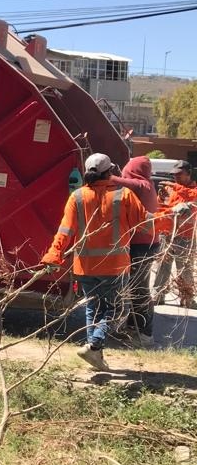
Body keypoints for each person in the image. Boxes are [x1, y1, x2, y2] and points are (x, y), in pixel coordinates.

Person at [41, 152, 148, 371]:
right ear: (110, 172)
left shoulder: (77, 197)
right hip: (114, 265)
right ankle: (94, 345)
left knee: (94, 307)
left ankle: (95, 356)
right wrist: (172, 214)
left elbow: (65, 231)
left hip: (85, 265)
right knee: (115, 309)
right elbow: (145, 222)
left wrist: (54, 254)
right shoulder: (124, 195)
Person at [110, 156, 159, 345]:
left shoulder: (141, 185)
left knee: (138, 288)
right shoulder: (145, 185)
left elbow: (116, 181)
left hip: (142, 245)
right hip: (143, 243)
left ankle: (145, 334)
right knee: (134, 287)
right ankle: (133, 328)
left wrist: (102, 173)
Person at [153, 161, 197, 309]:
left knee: (185, 269)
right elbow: (162, 207)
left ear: (189, 173)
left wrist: (174, 187)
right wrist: (160, 197)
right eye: (174, 175)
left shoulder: (193, 190)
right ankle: (158, 295)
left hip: (185, 236)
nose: (176, 177)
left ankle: (187, 299)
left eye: (179, 174)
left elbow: (193, 197)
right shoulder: (171, 189)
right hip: (167, 234)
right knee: (162, 267)